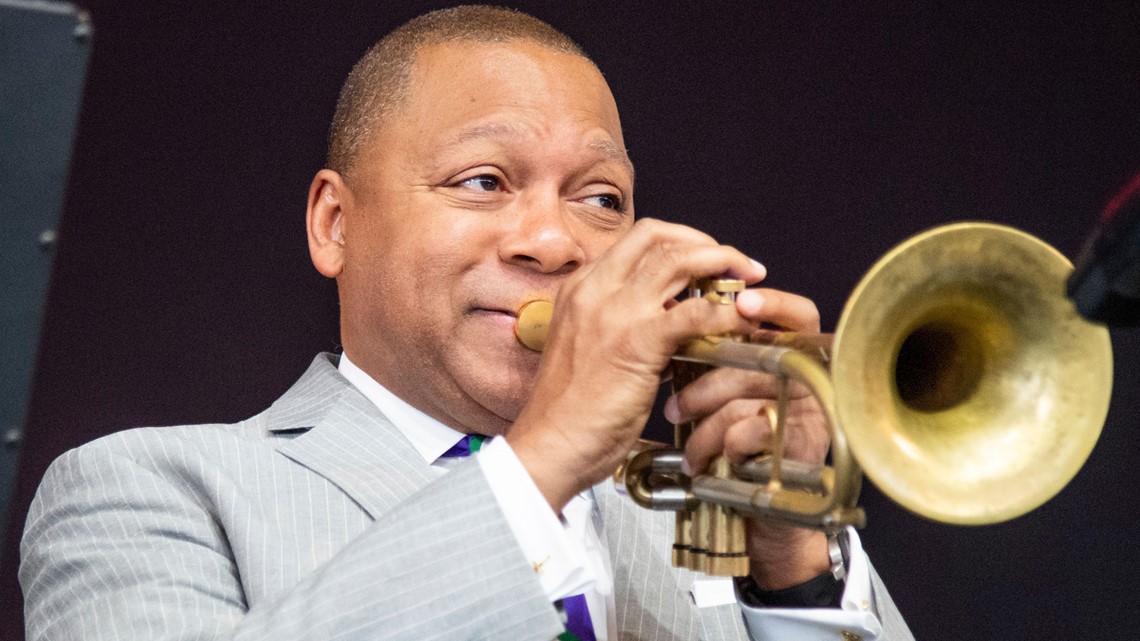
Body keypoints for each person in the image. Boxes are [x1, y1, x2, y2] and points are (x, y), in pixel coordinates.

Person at [20, 6, 914, 640]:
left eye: (601, 199)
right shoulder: (143, 491)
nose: (554, 241)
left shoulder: (705, 509)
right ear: (335, 223)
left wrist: (794, 562)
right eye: (484, 181)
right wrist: (544, 461)